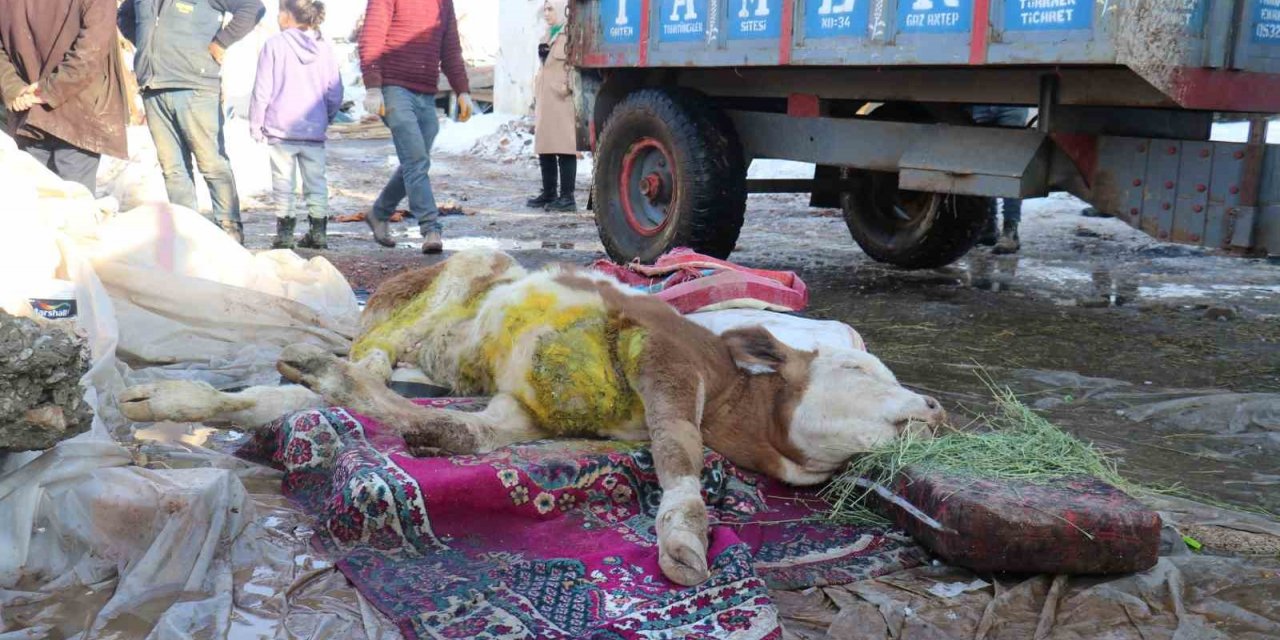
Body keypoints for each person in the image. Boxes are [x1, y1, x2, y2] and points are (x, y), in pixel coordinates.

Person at [118, 0, 265, 245]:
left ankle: (230, 233)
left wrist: (221, 42)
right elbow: (124, 16)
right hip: (154, 87)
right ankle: (186, 237)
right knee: (173, 170)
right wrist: (148, 49)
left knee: (212, 164)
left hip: (195, 86)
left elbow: (253, 8)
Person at [360, 0, 477, 254]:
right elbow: (372, 36)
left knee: (416, 161)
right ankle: (430, 228)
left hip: (425, 93)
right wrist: (372, 86)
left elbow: (450, 49)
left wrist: (463, 90)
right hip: (394, 89)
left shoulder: (443, 3)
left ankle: (379, 213)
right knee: (416, 161)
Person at [0, 0, 129, 193]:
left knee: (39, 204)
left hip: (29, 113)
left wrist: (15, 88)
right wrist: (43, 91)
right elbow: (90, 53)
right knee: (74, 207)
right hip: (77, 115)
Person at [250, 0, 343, 250]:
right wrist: (327, 116)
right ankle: (318, 232)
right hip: (313, 131)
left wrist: (256, 123)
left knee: (283, 182)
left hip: (281, 131)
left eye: (279, 11)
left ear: (287, 16)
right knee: (316, 183)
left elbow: (262, 90)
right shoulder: (324, 48)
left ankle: (285, 235)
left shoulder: (274, 45)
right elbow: (334, 91)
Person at [526, 0, 578, 212]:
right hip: (545, 100)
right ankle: (549, 193)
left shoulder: (570, 36)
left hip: (562, 100)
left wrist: (566, 87)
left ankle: (567, 198)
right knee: (545, 147)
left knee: (565, 148)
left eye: (550, 9)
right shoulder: (548, 35)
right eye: (545, 9)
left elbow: (575, 67)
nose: (546, 14)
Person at [970, 105, 1030, 254]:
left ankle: (1010, 230)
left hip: (1011, 101)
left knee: (1010, 167)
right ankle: (990, 225)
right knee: (983, 163)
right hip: (981, 101)